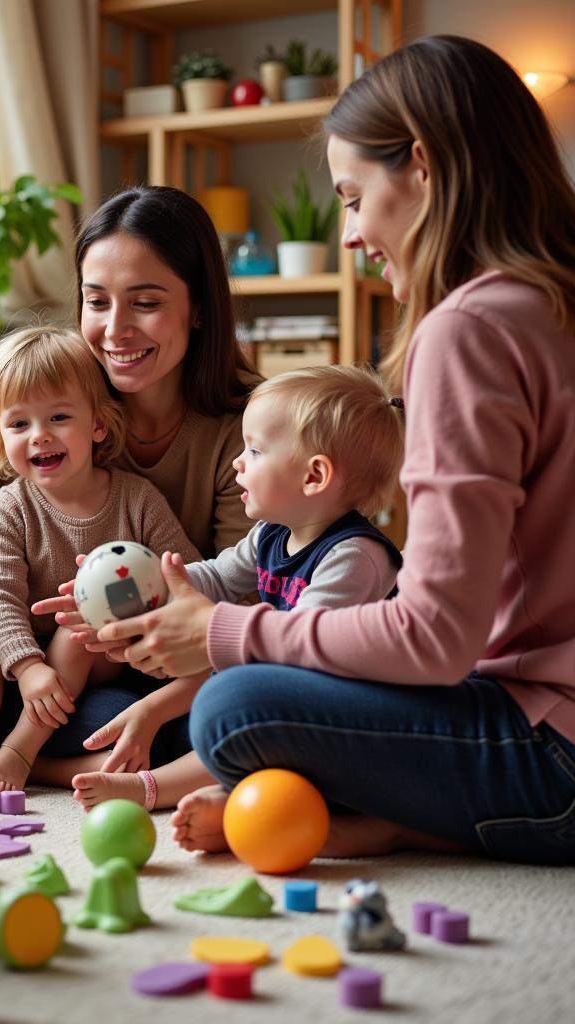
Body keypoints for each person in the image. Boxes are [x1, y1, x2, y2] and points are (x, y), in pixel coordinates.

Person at [84, 35, 575, 866]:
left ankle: (416, 823)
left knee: (231, 708)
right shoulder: (550, 304)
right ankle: (397, 818)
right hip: (538, 709)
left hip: (550, 747)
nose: (349, 232)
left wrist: (227, 634)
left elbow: (433, 639)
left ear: (421, 167)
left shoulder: (471, 327)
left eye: (353, 196)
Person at [0, 184, 260, 774]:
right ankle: (7, 748)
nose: (115, 330)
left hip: (140, 671)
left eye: (144, 302)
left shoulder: (246, 426)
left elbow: (233, 593)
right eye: (97, 302)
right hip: (14, 654)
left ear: (199, 306)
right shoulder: (5, 401)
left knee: (205, 717)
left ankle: (21, 757)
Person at [69, 364, 404, 812]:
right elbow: (217, 578)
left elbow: (300, 653)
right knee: (132, 711)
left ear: (314, 476)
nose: (237, 462)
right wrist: (145, 594)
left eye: (255, 450)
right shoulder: (272, 531)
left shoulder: (354, 556)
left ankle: (151, 788)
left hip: (341, 716)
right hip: (276, 686)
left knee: (238, 714)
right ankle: (220, 780)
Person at [0, 325, 199, 799]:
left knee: (78, 634)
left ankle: (21, 748)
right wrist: (29, 667)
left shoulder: (136, 499)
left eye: (58, 417)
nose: (39, 436)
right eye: (19, 425)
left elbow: (187, 575)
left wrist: (159, 624)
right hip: (30, 649)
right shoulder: (11, 506)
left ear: (97, 424)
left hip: (107, 651)